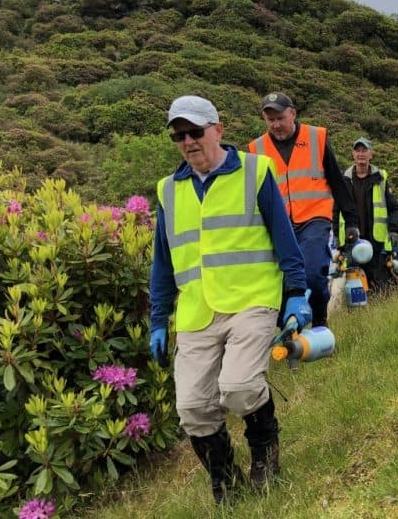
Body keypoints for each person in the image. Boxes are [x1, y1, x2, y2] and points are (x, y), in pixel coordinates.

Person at [148, 95, 311, 502]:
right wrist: (157, 319)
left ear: (217, 129)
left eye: (195, 132)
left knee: (237, 386)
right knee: (192, 408)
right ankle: (226, 481)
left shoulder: (255, 172)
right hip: (197, 311)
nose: (187, 141)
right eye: (179, 135)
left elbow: (284, 238)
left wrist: (295, 293)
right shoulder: (169, 190)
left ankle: (265, 457)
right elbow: (162, 264)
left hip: (252, 299)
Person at [248, 92, 359, 329]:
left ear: (293, 114)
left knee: (310, 274)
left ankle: (320, 320)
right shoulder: (256, 149)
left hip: (314, 218)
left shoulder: (316, 137)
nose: (276, 125)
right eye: (270, 120)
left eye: (280, 118)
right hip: (278, 224)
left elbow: (336, 181)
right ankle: (288, 335)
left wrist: (350, 220)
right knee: (281, 280)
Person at [333, 137, 398, 294]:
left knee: (380, 285)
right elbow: (336, 211)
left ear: (371, 154)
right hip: (351, 242)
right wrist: (337, 238)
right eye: (357, 150)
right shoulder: (344, 179)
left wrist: (393, 230)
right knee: (354, 286)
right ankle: (358, 316)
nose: (360, 154)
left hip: (376, 242)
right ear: (352, 154)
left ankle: (380, 315)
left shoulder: (381, 178)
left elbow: (395, 209)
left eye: (364, 150)